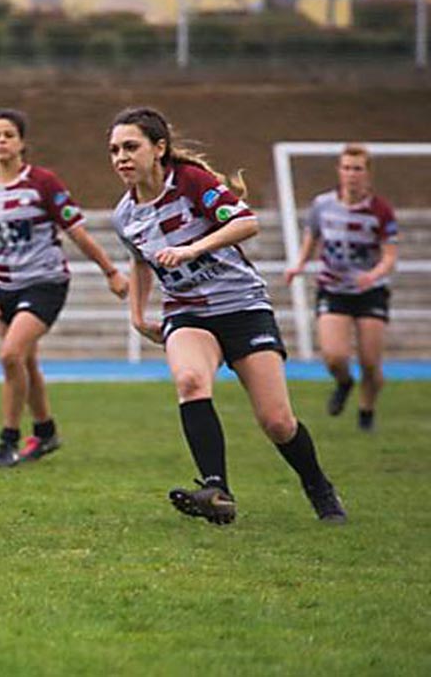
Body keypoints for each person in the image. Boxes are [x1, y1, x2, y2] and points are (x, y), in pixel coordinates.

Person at [107, 106, 346, 525]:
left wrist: (193, 249)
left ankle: (319, 487)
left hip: (241, 307)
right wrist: (137, 314)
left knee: (276, 421)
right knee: (190, 380)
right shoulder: (123, 215)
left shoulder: (191, 183)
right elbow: (140, 261)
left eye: (131, 147)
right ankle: (216, 489)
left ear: (159, 148)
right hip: (187, 311)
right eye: (114, 150)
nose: (121, 157)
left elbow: (246, 223)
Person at [0, 109, 129, 468]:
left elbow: (76, 232)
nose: (1, 141)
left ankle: (7, 441)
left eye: (9, 135)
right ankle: (45, 432)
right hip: (5, 287)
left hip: (45, 283)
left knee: (10, 355)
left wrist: (111, 272)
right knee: (26, 361)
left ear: (22, 142)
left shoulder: (43, 183)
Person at [284, 144, 398, 431]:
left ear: (368, 174)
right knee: (334, 356)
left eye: (357, 169)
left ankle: (366, 411)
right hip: (332, 288)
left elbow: (390, 256)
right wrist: (298, 264)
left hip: (370, 291)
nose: (351, 174)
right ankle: (344, 382)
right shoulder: (322, 205)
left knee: (371, 363)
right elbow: (312, 237)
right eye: (346, 168)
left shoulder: (381, 211)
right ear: (339, 170)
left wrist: (373, 275)